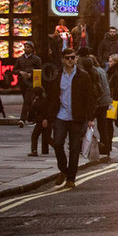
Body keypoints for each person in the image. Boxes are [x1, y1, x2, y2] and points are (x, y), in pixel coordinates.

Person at [44, 47, 100, 189]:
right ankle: (64, 170)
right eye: (67, 57)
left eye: (73, 57)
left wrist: (90, 118)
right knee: (57, 144)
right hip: (60, 116)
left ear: (76, 58)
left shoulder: (83, 75)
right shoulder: (57, 76)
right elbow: (51, 98)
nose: (70, 60)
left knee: (74, 149)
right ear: (63, 59)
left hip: (77, 117)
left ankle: (71, 178)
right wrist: (46, 117)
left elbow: (90, 97)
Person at [14, 41, 43, 127]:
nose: (26, 49)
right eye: (25, 47)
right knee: (28, 101)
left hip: (31, 82)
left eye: (28, 47)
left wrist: (31, 74)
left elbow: (40, 71)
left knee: (27, 100)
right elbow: (14, 70)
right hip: (22, 82)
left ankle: (22, 119)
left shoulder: (36, 59)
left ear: (32, 49)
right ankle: (33, 118)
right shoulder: (20, 59)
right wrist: (20, 72)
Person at [26, 84, 51, 157]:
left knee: (34, 135)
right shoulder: (46, 100)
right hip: (47, 120)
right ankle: (57, 147)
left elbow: (31, 112)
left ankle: (34, 150)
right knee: (47, 137)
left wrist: (29, 119)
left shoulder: (37, 102)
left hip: (40, 121)